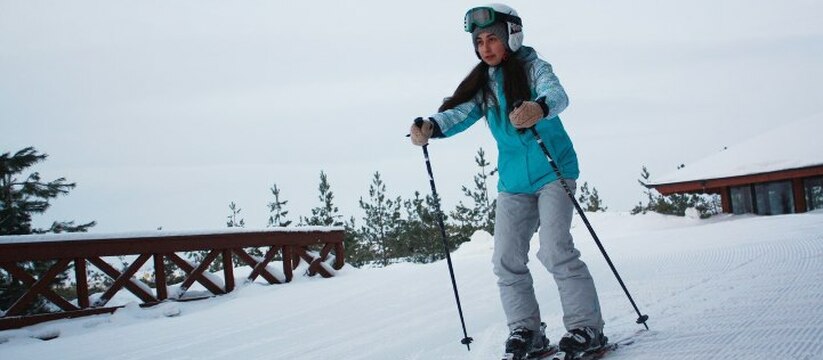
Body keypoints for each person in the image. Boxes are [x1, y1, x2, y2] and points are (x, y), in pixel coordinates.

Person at [408, 4, 607, 360]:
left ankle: (585, 327)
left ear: (511, 37)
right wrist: (431, 127)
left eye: (492, 39)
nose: (485, 47)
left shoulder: (534, 68)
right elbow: (459, 113)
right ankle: (527, 332)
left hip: (554, 168)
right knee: (505, 259)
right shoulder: (484, 84)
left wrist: (540, 107)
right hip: (514, 181)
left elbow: (558, 94)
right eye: (479, 41)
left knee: (555, 248)